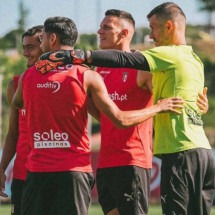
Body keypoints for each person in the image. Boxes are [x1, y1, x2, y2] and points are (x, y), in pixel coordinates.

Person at [36, 3, 215, 215]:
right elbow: (189, 100)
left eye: (153, 28)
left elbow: (125, 59)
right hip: (119, 160)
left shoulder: (163, 58)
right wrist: (201, 107)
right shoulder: (191, 60)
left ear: (168, 26)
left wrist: (73, 55)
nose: (150, 35)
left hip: (151, 157)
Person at [12, 16, 184, 215]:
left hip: (37, 173)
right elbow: (116, 119)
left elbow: (18, 103)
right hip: (74, 172)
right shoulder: (88, 75)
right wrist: (159, 107)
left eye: (41, 39)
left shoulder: (28, 76)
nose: (40, 45)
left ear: (52, 39)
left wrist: (45, 91)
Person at [94, 9, 153, 215]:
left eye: (106, 27)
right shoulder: (99, 69)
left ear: (125, 33)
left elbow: (168, 103)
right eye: (100, 26)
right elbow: (101, 112)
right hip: (105, 163)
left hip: (132, 161)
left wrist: (198, 103)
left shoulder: (143, 66)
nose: (99, 31)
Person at [0, 25, 43, 215]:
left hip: (54, 175)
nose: (25, 53)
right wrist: (2, 168)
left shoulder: (66, 81)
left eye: (31, 47)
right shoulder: (16, 84)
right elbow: (13, 132)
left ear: (48, 45)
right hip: (22, 175)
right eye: (23, 47)